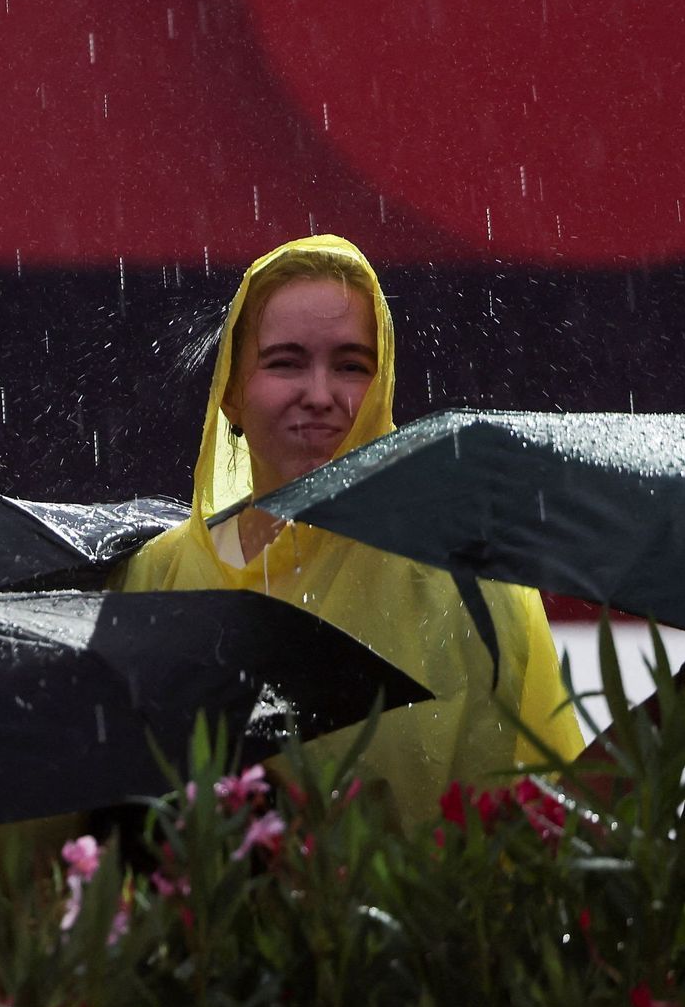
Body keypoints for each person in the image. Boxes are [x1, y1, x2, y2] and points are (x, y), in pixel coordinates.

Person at [118, 233, 585, 819]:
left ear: (383, 389)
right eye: (284, 361)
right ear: (231, 392)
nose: (319, 395)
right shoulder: (152, 579)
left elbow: (543, 830)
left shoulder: (471, 588)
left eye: (351, 366)